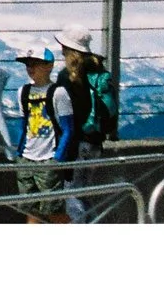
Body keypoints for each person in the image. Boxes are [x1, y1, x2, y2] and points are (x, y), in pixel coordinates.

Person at [13, 43, 76, 223]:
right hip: (27, 157)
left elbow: (68, 129)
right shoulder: (22, 92)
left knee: (54, 211)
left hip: (48, 158)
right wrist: (19, 152)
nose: (30, 68)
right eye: (27, 64)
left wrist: (58, 159)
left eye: (35, 63)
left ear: (49, 66)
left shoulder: (59, 93)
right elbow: (23, 123)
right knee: (31, 211)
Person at [54, 27, 112, 222]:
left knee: (71, 195)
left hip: (77, 142)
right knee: (84, 193)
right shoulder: (98, 70)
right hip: (95, 142)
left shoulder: (67, 76)